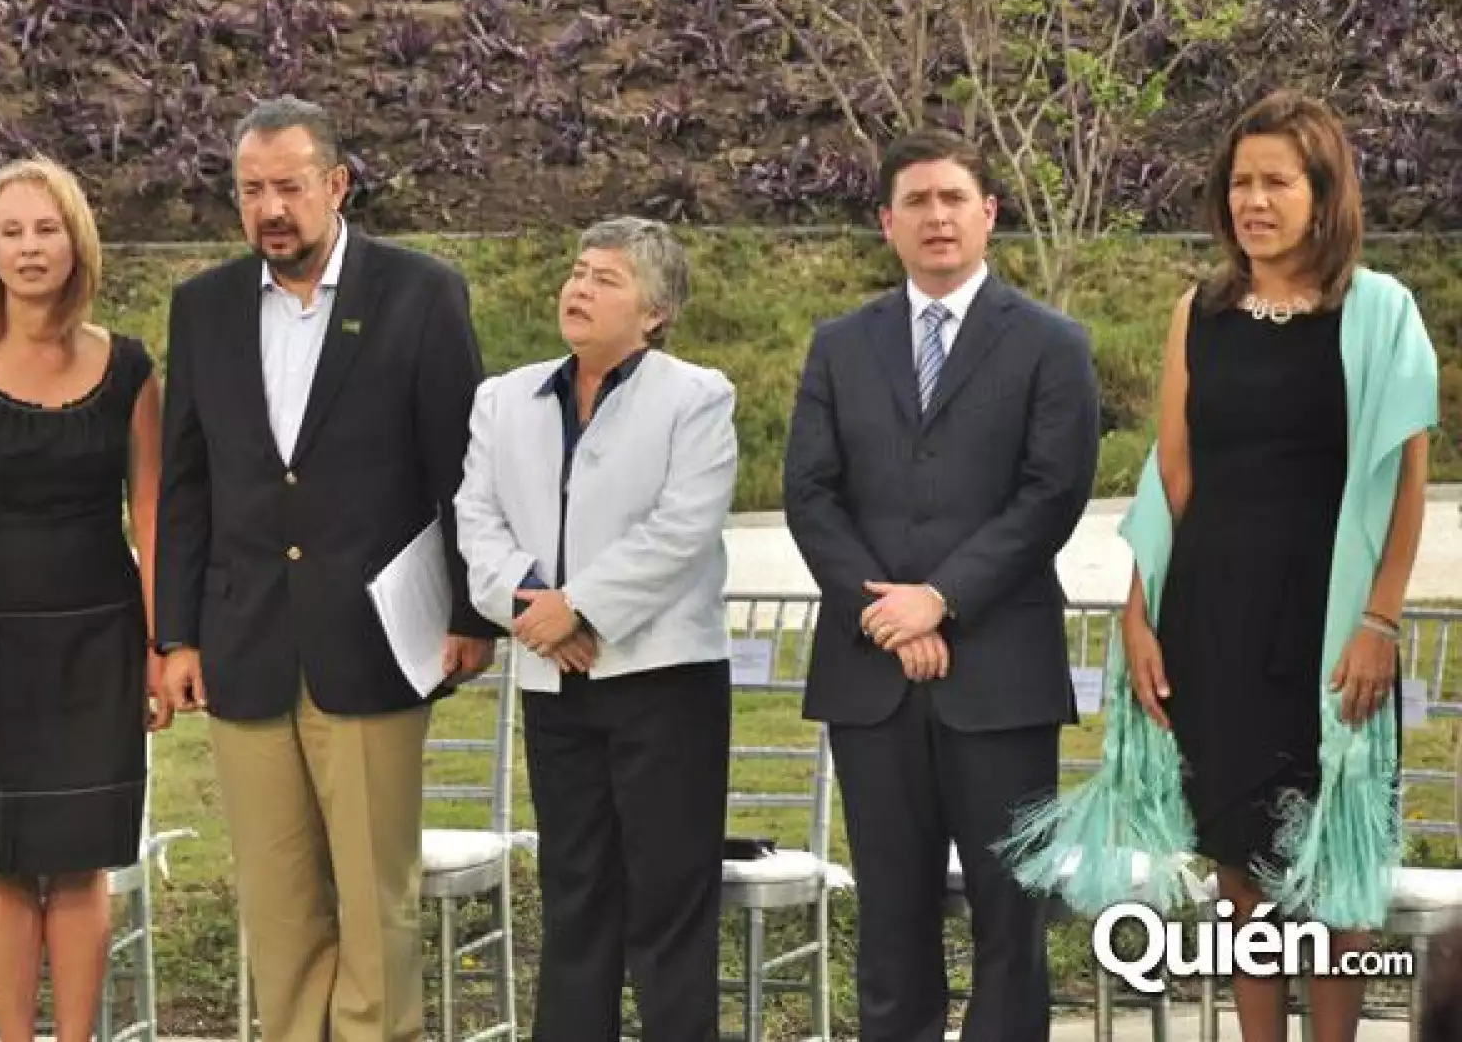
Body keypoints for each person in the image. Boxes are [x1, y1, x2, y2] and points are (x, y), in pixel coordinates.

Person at [153, 97, 498, 1042]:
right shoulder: (204, 306)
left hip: (374, 644)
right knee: (278, 901)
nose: (271, 208)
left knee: (375, 900)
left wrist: (471, 612)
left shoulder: (422, 293)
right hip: (244, 645)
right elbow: (187, 485)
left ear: (337, 185)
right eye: (252, 189)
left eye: (290, 187)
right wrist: (175, 633)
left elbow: (461, 467)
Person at [1116, 92, 1431, 1042]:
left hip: (1331, 631)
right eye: (1240, 182)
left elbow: (1405, 484)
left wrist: (1381, 620)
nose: (1254, 200)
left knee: (1333, 858)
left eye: (1277, 182)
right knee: (1240, 865)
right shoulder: (1198, 312)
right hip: (1214, 620)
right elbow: (1171, 476)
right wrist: (1138, 612)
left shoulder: (1378, 312)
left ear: (1323, 194)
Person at [782, 129, 1102, 1042]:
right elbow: (809, 491)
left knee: (1011, 924)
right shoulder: (842, 345)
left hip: (1000, 679)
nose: (936, 216)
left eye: (953, 198)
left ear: (988, 213)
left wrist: (943, 598)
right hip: (870, 678)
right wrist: (887, 611)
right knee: (890, 919)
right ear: (886, 222)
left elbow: (1053, 494)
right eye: (916, 201)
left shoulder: (1050, 343)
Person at [0, 156, 171, 1042]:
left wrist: (159, 649)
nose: (28, 247)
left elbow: (153, 518)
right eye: (11, 231)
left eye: (45, 228)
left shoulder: (129, 368)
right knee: (7, 865)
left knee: (83, 860)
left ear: (75, 241)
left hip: (99, 646)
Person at [454, 216, 738, 1041]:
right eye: (577, 272)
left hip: (665, 682)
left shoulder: (697, 396)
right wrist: (536, 605)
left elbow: (682, 529)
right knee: (574, 893)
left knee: (669, 898)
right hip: (555, 680)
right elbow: (477, 520)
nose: (578, 290)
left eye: (605, 279)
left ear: (655, 312)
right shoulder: (503, 398)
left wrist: (580, 606)